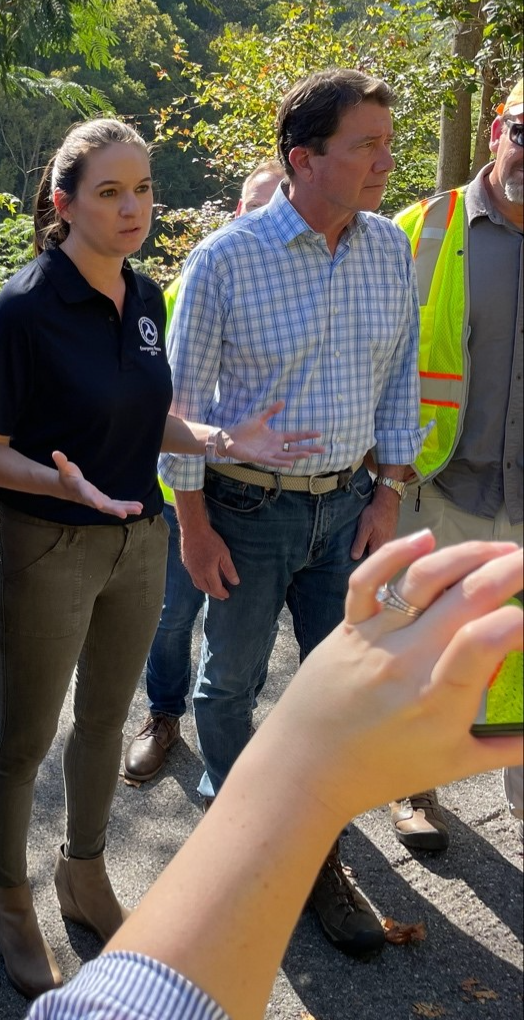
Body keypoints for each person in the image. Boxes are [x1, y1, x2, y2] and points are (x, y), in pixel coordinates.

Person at [0, 118, 321, 999]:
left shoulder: (146, 295)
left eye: (143, 190)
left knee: (102, 722)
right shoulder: (25, 307)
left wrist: (216, 434)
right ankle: (9, 895)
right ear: (62, 203)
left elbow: (141, 412)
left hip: (139, 540)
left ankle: (82, 874)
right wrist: (61, 485)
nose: (133, 208)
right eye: (109, 192)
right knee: (23, 733)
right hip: (50, 542)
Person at [26, 534, 524, 1020]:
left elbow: (132, 1000)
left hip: (341, 506)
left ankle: (302, 866)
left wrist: (303, 769)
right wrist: (312, 775)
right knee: (218, 678)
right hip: (243, 507)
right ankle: (206, 779)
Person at [162, 68, 423, 959]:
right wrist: (192, 524)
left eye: (386, 141)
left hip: (348, 508)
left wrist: (388, 490)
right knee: (227, 683)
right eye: (367, 144)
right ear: (303, 159)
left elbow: (401, 376)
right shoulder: (225, 259)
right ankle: (249, 841)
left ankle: (314, 856)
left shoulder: (389, 246)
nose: (387, 159)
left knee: (338, 692)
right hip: (243, 511)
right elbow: (178, 403)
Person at [385, 76, 524, 851]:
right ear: (498, 127)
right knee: (427, 647)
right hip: (438, 479)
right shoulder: (421, 227)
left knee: (521, 659)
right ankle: (416, 791)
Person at [125, 158, 285, 783]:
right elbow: (154, 399)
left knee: (247, 627)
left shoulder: (318, 287)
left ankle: (232, 732)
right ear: (239, 212)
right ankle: (163, 716)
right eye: (255, 206)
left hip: (258, 497)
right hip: (178, 487)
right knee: (172, 615)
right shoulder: (197, 277)